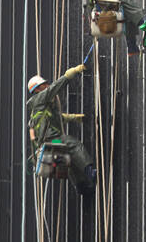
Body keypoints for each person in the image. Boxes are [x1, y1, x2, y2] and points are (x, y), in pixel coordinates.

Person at [26, 64, 96, 195]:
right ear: (37, 89)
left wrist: (73, 118)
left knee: (69, 158)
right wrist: (68, 75)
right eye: (43, 84)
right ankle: (89, 171)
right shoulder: (39, 99)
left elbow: (55, 119)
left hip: (47, 144)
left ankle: (80, 185)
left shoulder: (40, 107)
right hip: (53, 140)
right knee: (74, 145)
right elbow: (54, 88)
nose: (46, 85)